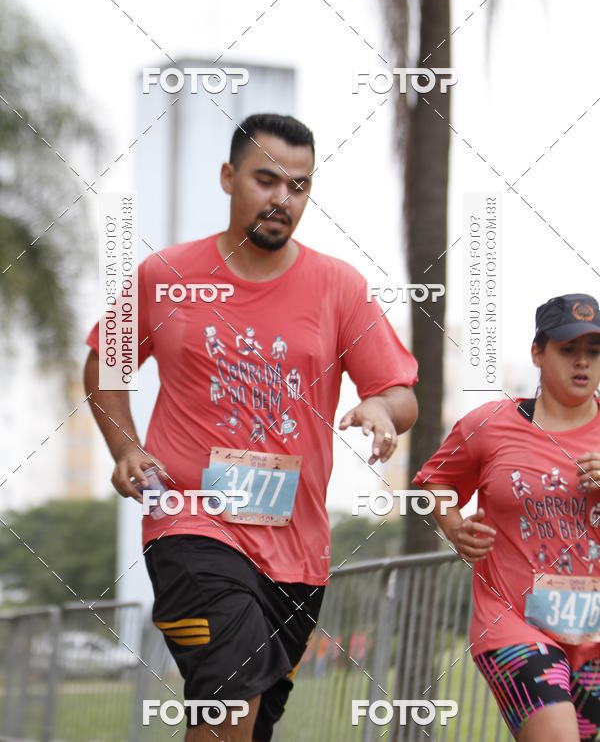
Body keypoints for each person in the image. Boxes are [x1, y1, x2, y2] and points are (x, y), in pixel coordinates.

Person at [84, 113, 418, 742]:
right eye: (266, 179)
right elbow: (106, 362)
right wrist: (126, 445)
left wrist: (379, 407)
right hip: (188, 521)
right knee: (233, 689)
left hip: (296, 550)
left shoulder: (338, 287)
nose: (282, 199)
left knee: (248, 714)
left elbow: (399, 393)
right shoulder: (167, 276)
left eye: (298, 186)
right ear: (229, 177)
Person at [413, 293, 600, 741]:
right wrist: (454, 526)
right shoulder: (490, 425)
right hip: (511, 623)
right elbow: (435, 480)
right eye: (568, 349)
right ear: (538, 353)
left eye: (594, 352)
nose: (583, 363)